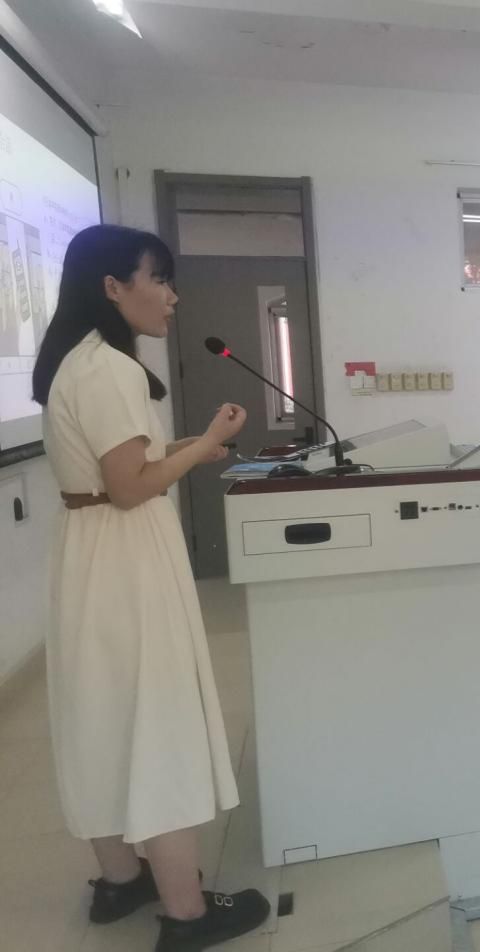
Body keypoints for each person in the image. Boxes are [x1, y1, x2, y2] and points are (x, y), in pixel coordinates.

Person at [32, 224, 271, 952]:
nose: (171, 297)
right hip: (127, 557)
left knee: (104, 716)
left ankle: (120, 881)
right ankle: (187, 915)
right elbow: (131, 486)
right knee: (156, 719)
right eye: (159, 279)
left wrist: (194, 443)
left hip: (91, 552)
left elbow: (117, 467)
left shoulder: (77, 362)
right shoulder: (113, 369)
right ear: (113, 286)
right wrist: (200, 450)